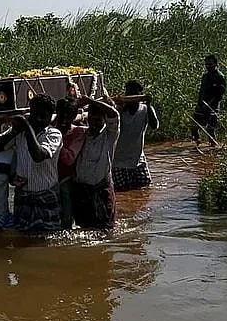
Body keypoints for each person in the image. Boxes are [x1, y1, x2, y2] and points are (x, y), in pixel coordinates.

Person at [0, 93, 62, 231]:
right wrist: (14, 131)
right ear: (31, 113)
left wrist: (26, 126)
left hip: (46, 194)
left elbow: (38, 156)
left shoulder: (53, 134)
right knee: (22, 236)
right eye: (37, 115)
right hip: (24, 195)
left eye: (45, 116)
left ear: (51, 116)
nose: (40, 120)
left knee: (48, 237)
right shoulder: (20, 132)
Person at [71, 97, 120, 229]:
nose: (94, 123)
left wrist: (90, 101)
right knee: (84, 229)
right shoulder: (81, 134)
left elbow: (114, 114)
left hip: (101, 191)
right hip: (82, 192)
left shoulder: (109, 135)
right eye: (92, 119)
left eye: (98, 120)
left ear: (104, 120)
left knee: (105, 231)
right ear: (88, 118)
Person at [112, 81, 159, 191]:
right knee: (122, 191)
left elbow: (155, 125)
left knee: (144, 190)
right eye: (129, 93)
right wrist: (121, 107)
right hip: (119, 161)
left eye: (135, 93)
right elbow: (114, 124)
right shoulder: (120, 110)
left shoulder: (145, 109)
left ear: (140, 94)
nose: (131, 96)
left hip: (138, 160)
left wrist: (148, 104)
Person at [54, 97, 86, 229]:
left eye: (68, 116)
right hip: (49, 180)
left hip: (67, 181)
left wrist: (56, 138)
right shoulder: (49, 129)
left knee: (66, 220)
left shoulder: (78, 132)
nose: (64, 119)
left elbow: (68, 159)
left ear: (74, 116)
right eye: (61, 115)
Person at [191, 54, 226, 147]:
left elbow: (220, 95)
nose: (207, 66)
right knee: (194, 126)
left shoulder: (220, 77)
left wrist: (209, 104)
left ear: (215, 64)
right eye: (206, 64)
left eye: (210, 64)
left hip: (213, 106)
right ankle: (197, 143)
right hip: (201, 104)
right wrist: (199, 103)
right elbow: (201, 91)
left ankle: (212, 148)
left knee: (210, 129)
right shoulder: (205, 76)